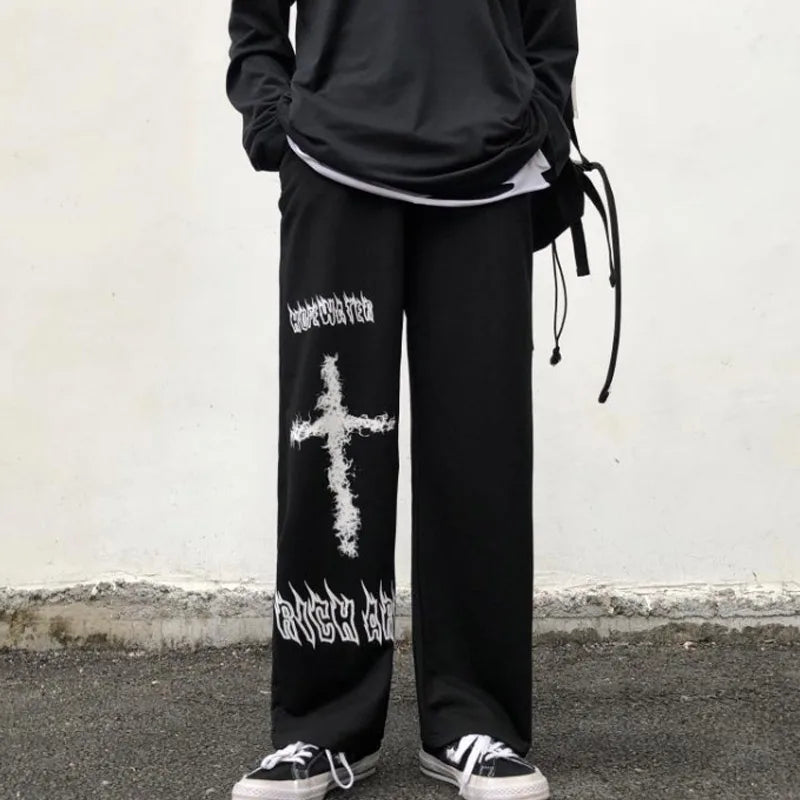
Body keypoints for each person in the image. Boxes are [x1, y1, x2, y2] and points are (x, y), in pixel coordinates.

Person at [225, 1, 578, 798]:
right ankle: (322, 728)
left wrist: (543, 123)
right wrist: (276, 126)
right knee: (332, 451)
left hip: (489, 173)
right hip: (334, 169)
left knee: (480, 449)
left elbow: (550, 25)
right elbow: (255, 24)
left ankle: (475, 723)